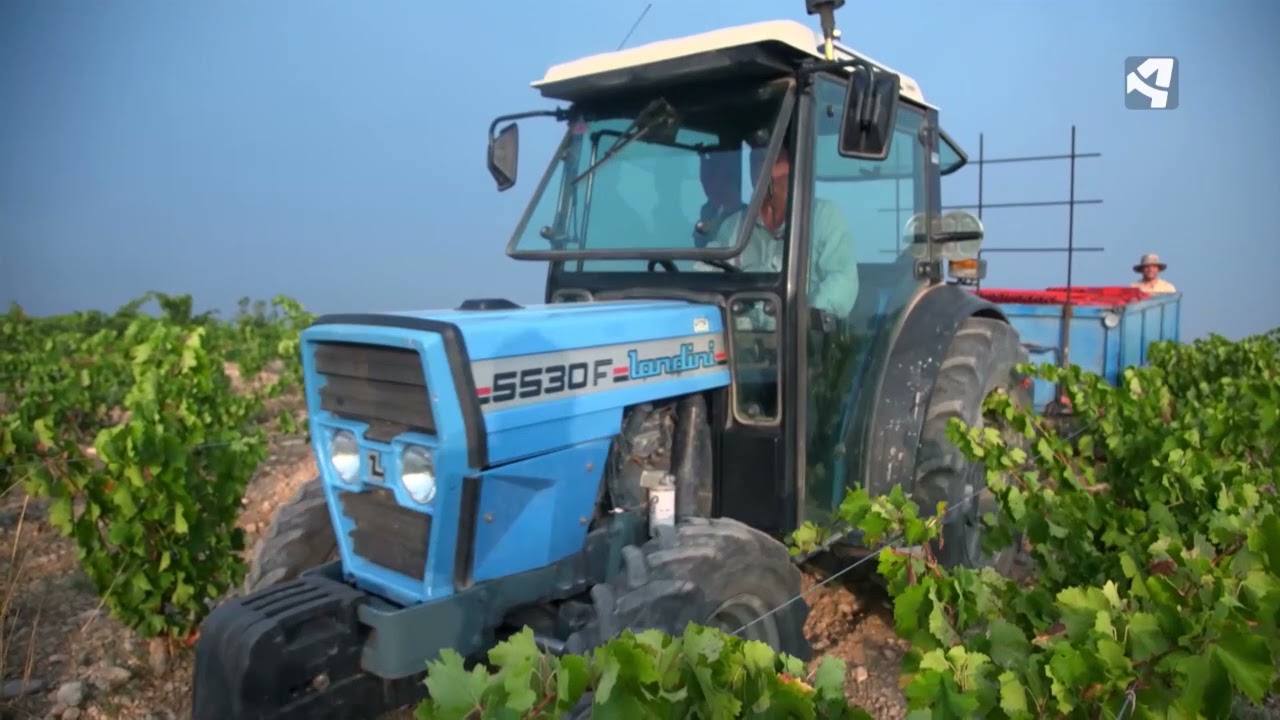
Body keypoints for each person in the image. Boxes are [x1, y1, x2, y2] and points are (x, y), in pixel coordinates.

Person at [697, 142, 858, 320]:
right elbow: (705, 273)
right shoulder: (733, 226)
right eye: (755, 162)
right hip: (741, 338)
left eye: (772, 161)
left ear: (793, 168)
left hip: (799, 340)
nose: (761, 170)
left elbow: (843, 280)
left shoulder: (824, 217)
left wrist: (805, 319)